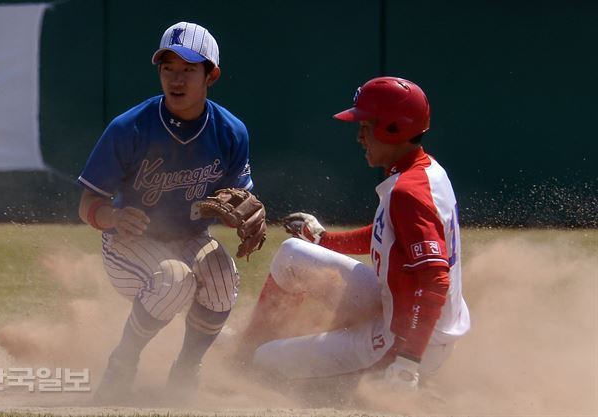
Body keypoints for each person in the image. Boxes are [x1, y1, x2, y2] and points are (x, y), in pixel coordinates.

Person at [237, 76, 470, 393]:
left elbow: (434, 279)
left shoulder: (408, 192)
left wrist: (407, 363)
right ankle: (243, 353)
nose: (360, 136)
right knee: (292, 253)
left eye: (366, 125)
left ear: (393, 128)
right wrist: (324, 239)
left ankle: (403, 384)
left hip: (406, 341)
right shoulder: (425, 170)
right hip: (399, 309)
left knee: (266, 362)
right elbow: (388, 233)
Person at [77, 21, 257, 402]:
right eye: (168, 68)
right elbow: (88, 204)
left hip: (191, 239)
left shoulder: (230, 132)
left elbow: (239, 200)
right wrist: (112, 217)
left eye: (189, 69)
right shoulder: (130, 128)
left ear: (211, 75)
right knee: (175, 279)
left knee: (223, 278)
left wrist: (244, 213)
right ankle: (122, 364)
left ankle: (186, 370)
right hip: (128, 245)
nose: (176, 79)